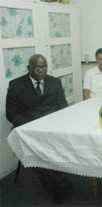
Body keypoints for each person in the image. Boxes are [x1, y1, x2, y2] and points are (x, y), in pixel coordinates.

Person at [6, 54, 73, 205]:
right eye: (37, 67)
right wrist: (30, 126)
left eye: (44, 67)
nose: (41, 70)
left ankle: (61, 179)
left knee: (67, 144)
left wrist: (53, 124)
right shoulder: (16, 85)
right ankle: (58, 186)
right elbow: (12, 113)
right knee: (37, 154)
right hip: (29, 130)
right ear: (29, 68)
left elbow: (62, 106)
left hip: (52, 128)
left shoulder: (55, 82)